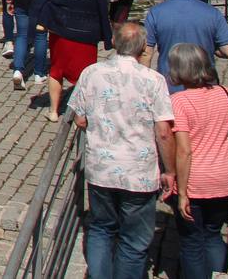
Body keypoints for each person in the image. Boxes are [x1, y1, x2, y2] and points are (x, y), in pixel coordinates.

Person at [71, 21, 175, 279]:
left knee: (101, 229)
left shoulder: (91, 73)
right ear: (143, 48)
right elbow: (163, 131)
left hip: (101, 169)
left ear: (115, 43)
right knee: (133, 241)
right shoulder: (154, 80)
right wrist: (170, 170)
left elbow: (80, 119)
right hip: (138, 173)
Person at [168, 43, 228, 279]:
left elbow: (184, 151)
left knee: (192, 242)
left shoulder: (180, 102)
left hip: (196, 182)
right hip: (224, 178)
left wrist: (182, 193)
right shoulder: (227, 94)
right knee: (213, 235)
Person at [30, 0, 112, 122]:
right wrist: (107, 37)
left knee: (57, 70)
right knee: (86, 73)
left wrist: (37, 21)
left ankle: (53, 110)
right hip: (86, 35)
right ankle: (82, 113)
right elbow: (102, 9)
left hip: (62, 32)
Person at [144, 0, 228, 93]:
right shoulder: (212, 13)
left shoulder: (155, 13)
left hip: (169, 87)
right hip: (206, 87)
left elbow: (146, 53)